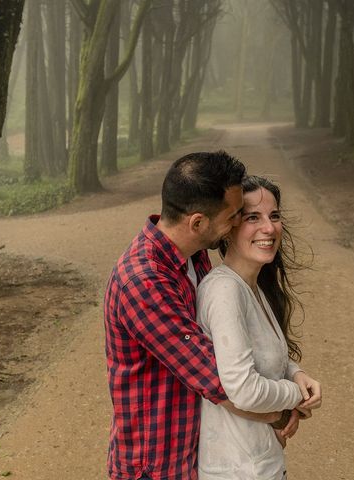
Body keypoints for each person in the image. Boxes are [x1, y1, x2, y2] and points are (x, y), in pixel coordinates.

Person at [104, 152, 320, 480]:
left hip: (193, 451)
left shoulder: (194, 256)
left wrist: (292, 373)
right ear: (198, 222)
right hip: (156, 463)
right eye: (235, 215)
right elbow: (219, 380)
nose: (236, 223)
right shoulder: (144, 282)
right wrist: (285, 407)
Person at [196, 175, 321, 480]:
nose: (269, 228)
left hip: (260, 462)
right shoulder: (225, 291)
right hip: (238, 470)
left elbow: (262, 352)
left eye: (274, 216)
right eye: (253, 217)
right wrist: (295, 398)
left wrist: (296, 373)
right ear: (228, 228)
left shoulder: (253, 286)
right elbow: (243, 389)